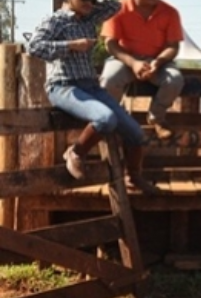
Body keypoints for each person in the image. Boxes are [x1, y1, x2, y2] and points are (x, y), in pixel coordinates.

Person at [28, 0, 160, 194]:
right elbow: (34, 47)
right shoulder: (55, 20)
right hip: (63, 86)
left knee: (136, 134)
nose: (90, 3)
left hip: (90, 86)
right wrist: (71, 45)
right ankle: (76, 152)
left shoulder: (90, 16)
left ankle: (133, 177)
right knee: (105, 118)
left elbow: (114, 6)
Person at [100, 0, 185, 140]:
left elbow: (173, 46)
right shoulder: (116, 8)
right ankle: (111, 119)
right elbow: (110, 44)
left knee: (174, 80)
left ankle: (157, 118)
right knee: (109, 79)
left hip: (157, 61)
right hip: (124, 58)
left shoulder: (170, 12)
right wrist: (133, 63)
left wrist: (158, 62)